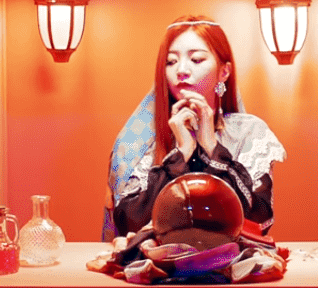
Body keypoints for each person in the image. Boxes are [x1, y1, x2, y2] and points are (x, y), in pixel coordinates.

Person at [111, 15, 286, 238]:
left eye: (196, 59)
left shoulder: (249, 133)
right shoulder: (143, 139)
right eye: (171, 62)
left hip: (229, 258)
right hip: (162, 259)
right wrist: (180, 154)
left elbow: (258, 222)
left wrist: (212, 147)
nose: (181, 70)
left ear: (224, 72)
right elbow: (129, 226)